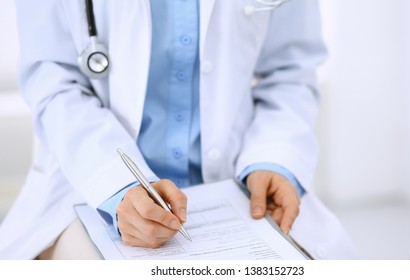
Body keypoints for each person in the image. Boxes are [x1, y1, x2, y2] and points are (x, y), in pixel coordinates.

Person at [0, 0, 356, 259]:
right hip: (93, 185)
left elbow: (290, 72)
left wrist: (275, 160)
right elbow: (54, 81)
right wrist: (116, 184)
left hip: (240, 183)